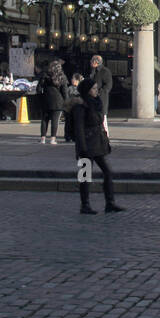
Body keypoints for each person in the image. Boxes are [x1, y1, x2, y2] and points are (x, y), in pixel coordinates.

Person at [73, 77, 124, 214]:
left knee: (107, 172)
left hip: (98, 143)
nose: (97, 91)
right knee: (85, 176)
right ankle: (85, 205)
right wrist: (82, 148)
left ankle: (110, 202)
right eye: (94, 89)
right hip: (86, 145)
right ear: (87, 91)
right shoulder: (81, 106)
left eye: (96, 88)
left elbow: (100, 123)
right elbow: (78, 128)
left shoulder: (97, 103)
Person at [39, 59, 67, 145]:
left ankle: (43, 139)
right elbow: (64, 91)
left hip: (46, 100)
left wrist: (42, 95)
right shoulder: (62, 76)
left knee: (44, 120)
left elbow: (39, 88)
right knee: (55, 120)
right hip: (58, 101)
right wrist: (67, 101)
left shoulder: (44, 75)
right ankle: (53, 139)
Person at [88, 54, 113, 121]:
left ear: (96, 62)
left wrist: (100, 92)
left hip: (100, 98)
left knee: (102, 120)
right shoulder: (92, 71)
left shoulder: (104, 71)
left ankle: (104, 132)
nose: (90, 62)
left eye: (91, 61)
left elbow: (108, 85)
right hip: (92, 98)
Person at [63, 72, 82, 142]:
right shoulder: (69, 88)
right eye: (72, 79)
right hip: (69, 108)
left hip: (77, 108)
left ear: (78, 80)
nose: (72, 80)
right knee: (68, 123)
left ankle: (75, 136)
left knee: (76, 123)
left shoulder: (81, 88)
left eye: (73, 79)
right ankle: (67, 136)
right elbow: (66, 97)